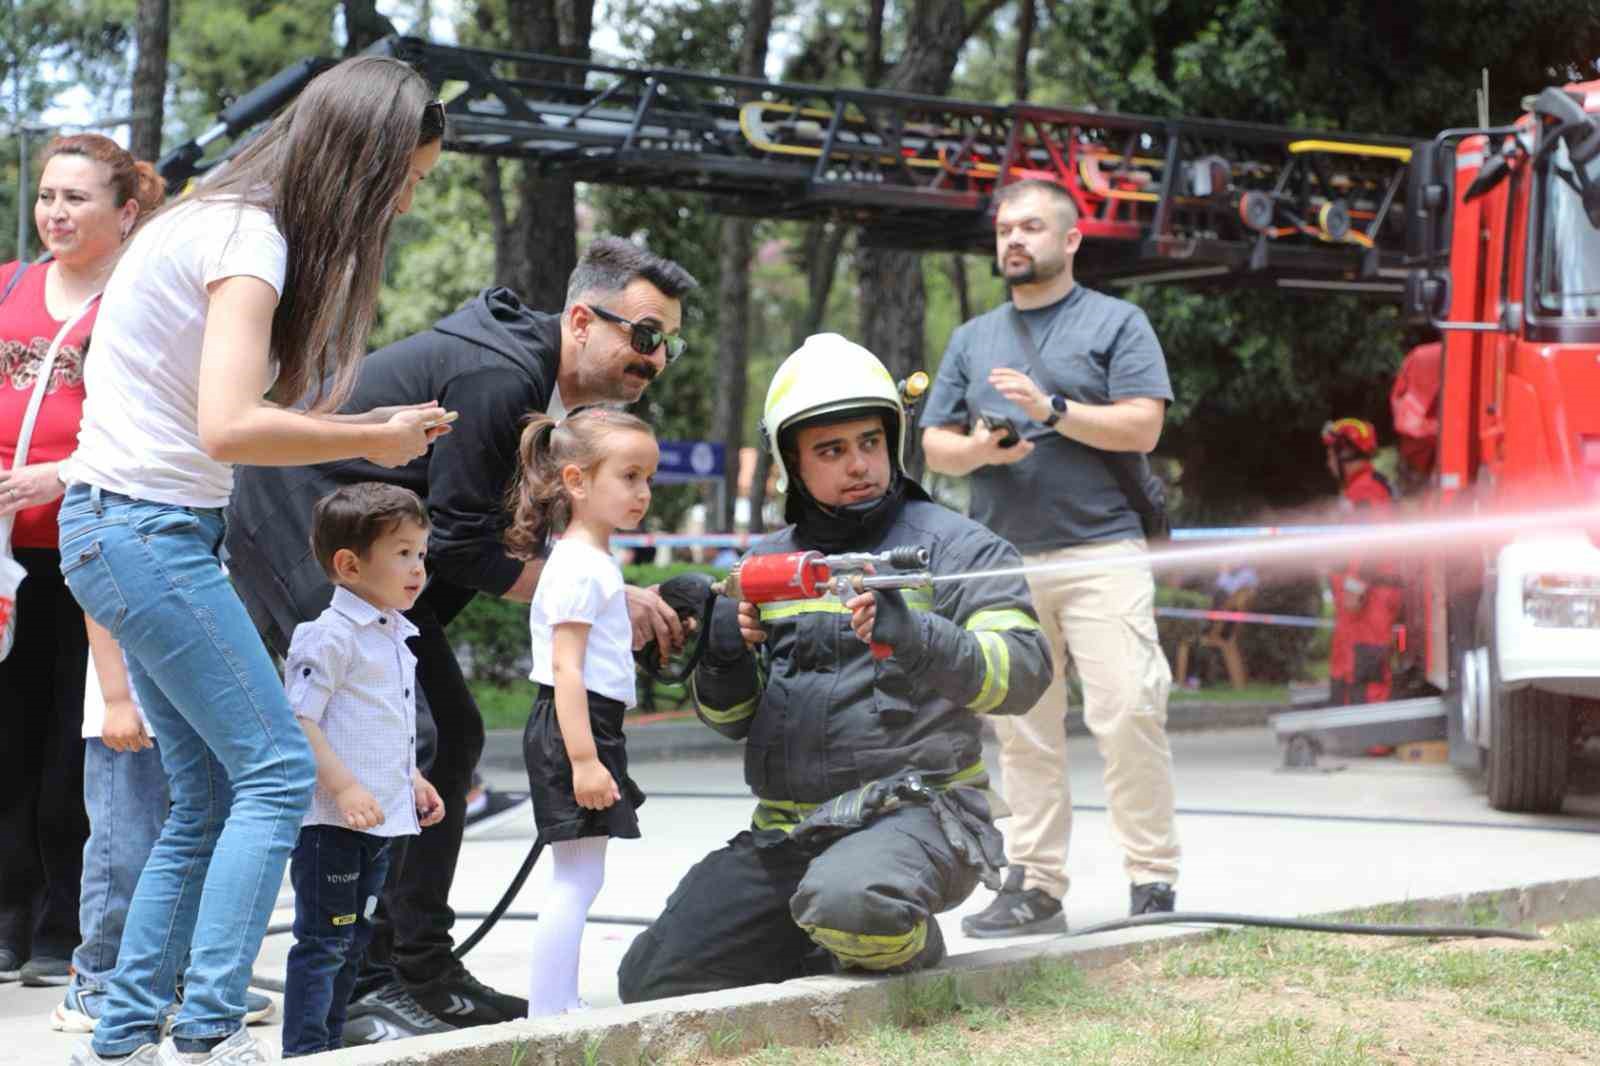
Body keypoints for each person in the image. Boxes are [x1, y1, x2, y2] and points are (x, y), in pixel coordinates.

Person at [57, 55, 449, 1066]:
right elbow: (229, 425)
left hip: (129, 532)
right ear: (361, 161)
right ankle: (211, 1030)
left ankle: (123, 1036)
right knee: (276, 775)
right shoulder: (249, 238)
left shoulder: (208, 219)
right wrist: (373, 434)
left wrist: (364, 427)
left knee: (205, 799)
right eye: (405, 179)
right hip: (147, 534)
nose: (406, 203)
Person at [224, 236, 698, 1039]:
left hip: (377, 548)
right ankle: (361, 984)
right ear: (582, 321)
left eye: (668, 345)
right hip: (308, 528)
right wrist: (608, 598)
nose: (655, 360)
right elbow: (465, 545)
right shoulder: (500, 376)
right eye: (645, 335)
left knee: (449, 733)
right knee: (396, 739)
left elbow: (475, 535)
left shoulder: (537, 388)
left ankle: (420, 966)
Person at [617, 335, 1052, 1002]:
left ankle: (899, 941)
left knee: (852, 903)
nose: (859, 464)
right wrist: (724, 656)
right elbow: (733, 720)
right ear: (792, 462)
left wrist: (919, 636)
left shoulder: (960, 551)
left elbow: (1022, 675)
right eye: (831, 450)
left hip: (919, 819)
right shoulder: (765, 566)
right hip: (790, 832)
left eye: (870, 442)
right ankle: (826, 937)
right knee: (654, 978)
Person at [921, 177, 1181, 936]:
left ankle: (1153, 878)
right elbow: (934, 444)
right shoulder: (973, 338)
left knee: (1129, 710)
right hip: (1005, 563)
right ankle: (1034, 884)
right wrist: (980, 450)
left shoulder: (1117, 322)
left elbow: (1143, 427)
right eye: (1006, 228)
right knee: (1023, 731)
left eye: (1031, 227)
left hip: (1103, 553)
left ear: (1070, 240)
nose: (1014, 239)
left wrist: (1052, 411)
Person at [0, 133, 163, 987]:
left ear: (126, 212)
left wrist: (58, 474)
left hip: (92, 550)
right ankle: (7, 915)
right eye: (47, 196)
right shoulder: (8, 287)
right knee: (8, 739)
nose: (55, 213)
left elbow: (152, 426)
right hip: (6, 561)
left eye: (76, 199)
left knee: (80, 740)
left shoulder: (141, 303)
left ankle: (68, 921)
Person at [281, 484, 446, 1056]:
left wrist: (412, 779)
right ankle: (305, 1051)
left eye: (421, 553)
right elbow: (300, 720)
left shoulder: (393, 633)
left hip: (377, 820)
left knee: (353, 942)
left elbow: (381, 724)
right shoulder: (329, 637)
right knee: (323, 943)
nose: (418, 567)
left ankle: (330, 1043)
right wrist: (345, 787)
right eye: (402, 553)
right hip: (333, 825)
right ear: (350, 565)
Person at [509, 407, 658, 1016]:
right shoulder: (578, 566)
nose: (642, 492)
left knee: (581, 876)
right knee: (575, 878)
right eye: (629, 476)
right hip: (576, 727)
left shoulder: (590, 561)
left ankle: (559, 1004)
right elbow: (566, 669)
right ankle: (550, 1011)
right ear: (576, 480)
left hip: (587, 724)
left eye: (648, 478)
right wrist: (584, 760)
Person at [54, 627, 276, 1033]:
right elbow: (96, 605)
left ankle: (181, 977)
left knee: (201, 850)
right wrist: (116, 699)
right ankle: (98, 979)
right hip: (131, 712)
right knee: (124, 851)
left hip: (198, 708)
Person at [1321, 417, 1402, 705]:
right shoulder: (1360, 488)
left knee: (1366, 663)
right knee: (1351, 662)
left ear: (1345, 454)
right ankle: (1347, 717)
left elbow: (1372, 540)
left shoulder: (1366, 489)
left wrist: (1355, 585)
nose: (1328, 462)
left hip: (1370, 596)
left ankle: (1369, 726)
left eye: (1331, 454)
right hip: (1364, 597)